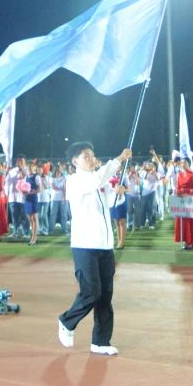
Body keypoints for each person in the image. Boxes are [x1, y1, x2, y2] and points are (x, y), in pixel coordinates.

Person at [57, 142, 131, 357]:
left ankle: (100, 341)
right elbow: (98, 178)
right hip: (85, 246)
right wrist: (118, 160)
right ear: (75, 162)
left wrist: (118, 193)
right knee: (91, 292)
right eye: (86, 155)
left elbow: (108, 202)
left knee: (105, 295)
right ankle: (66, 321)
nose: (91, 158)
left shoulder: (97, 180)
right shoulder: (75, 181)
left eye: (92, 154)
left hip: (104, 245)